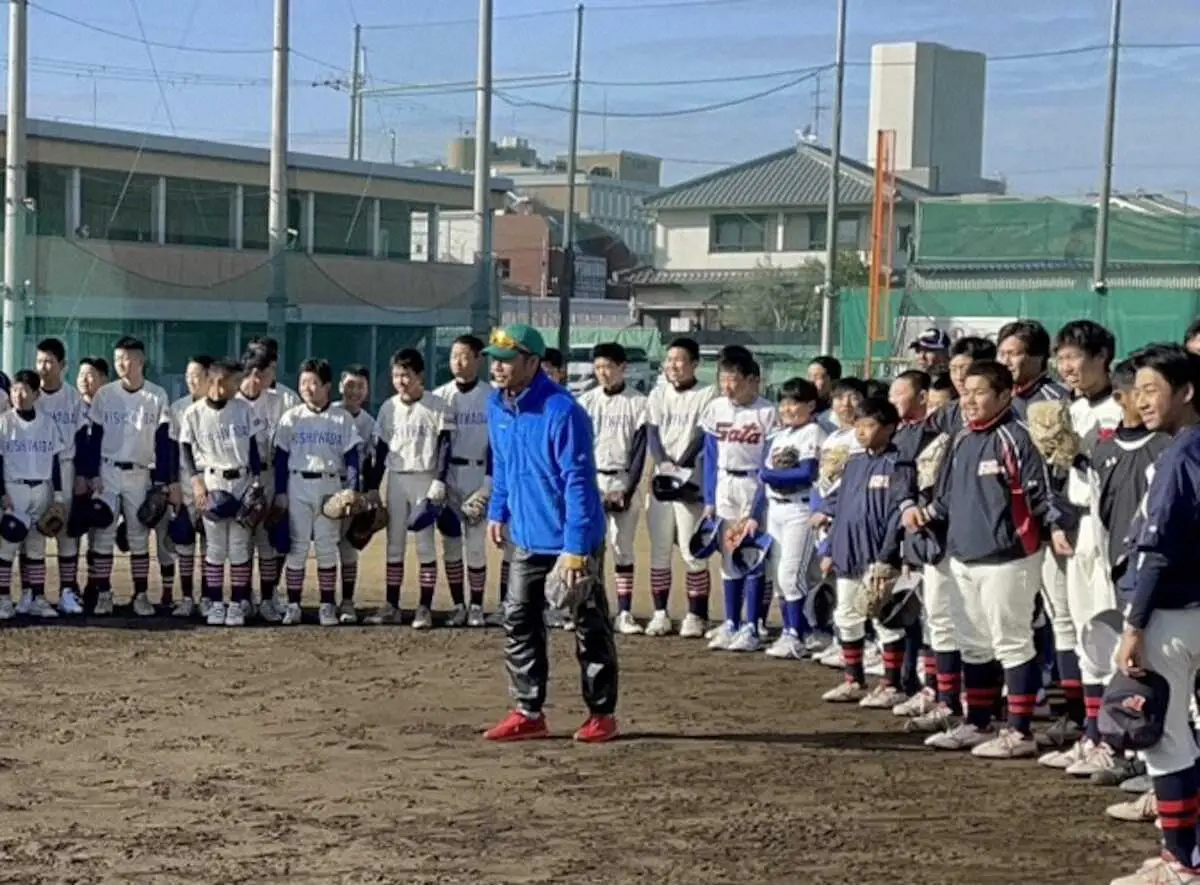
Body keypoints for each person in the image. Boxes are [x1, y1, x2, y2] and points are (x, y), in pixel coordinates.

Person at [919, 360, 1070, 759]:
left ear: (1005, 395)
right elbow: (946, 498)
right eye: (965, 393)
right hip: (963, 555)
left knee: (1012, 641)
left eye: (980, 392)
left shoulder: (1016, 437)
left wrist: (1052, 529)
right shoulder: (962, 438)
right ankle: (978, 722)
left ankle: (1019, 731)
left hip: (1009, 557)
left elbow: (1040, 495)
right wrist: (922, 515)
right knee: (973, 643)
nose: (969, 401)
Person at [480, 323, 617, 744]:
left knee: (588, 624)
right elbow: (502, 465)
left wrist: (575, 550)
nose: (498, 367)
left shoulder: (563, 411)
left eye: (507, 360)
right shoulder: (497, 406)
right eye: (495, 360)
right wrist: (498, 511)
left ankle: (602, 714)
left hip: (571, 539)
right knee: (518, 618)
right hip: (524, 534)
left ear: (533, 362)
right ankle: (528, 710)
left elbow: (577, 481)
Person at [1111, 344, 1200, 885]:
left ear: (1187, 392)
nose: (1141, 401)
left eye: (1152, 389)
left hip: (1171, 612)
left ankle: (1180, 862)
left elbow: (1158, 545)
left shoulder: (1179, 454)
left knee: (1164, 739)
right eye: (1137, 390)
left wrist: (1133, 623)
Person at [1036, 320, 1124, 773]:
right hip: (1075, 527)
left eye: (1076, 357)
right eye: (1062, 357)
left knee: (1109, 632)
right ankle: (1093, 735)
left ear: (1102, 357)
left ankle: (1117, 740)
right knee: (1082, 633)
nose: (1068, 366)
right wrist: (1056, 520)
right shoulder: (1068, 407)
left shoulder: (1121, 405)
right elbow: (1056, 475)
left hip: (1109, 530)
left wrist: (1082, 457)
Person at [813, 397, 911, 705]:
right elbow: (841, 507)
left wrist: (889, 556)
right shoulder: (854, 463)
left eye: (870, 425)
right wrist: (830, 548)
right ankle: (853, 679)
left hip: (879, 555)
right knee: (847, 615)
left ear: (890, 428)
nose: (862, 432)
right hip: (848, 552)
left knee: (884, 619)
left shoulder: (899, 463)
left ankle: (891, 684)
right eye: (858, 425)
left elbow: (898, 513)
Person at [83, 336, 174, 617]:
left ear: (141, 361)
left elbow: (163, 441)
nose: (122, 364)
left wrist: (161, 480)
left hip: (139, 472)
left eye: (128, 358)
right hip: (108, 472)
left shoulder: (156, 395)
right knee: (102, 536)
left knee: (137, 536)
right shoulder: (105, 394)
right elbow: (94, 438)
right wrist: (92, 474)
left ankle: (140, 595)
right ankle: (103, 594)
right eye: (118, 358)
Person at [367, 348, 454, 627]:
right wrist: (371, 487)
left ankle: (424, 607)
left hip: (425, 478)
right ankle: (391, 605)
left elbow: (445, 445)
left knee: (426, 545)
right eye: (396, 375)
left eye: (406, 375)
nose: (401, 381)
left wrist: (440, 480)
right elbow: (380, 451)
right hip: (396, 479)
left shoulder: (436, 405)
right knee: (394, 545)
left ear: (420, 376)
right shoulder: (388, 408)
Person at [274, 359, 362, 627]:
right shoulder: (292, 417)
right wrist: (280, 492)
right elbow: (280, 457)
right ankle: (293, 605)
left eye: (313, 383)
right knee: (297, 547)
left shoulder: (341, 418)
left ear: (327, 386)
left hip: (330, 486)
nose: (307, 388)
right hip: (297, 482)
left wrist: (352, 492)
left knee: (326, 547)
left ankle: (327, 605)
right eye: (303, 383)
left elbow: (352, 458)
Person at [700, 347, 776, 652]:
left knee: (753, 554)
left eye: (735, 380)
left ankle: (751, 626)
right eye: (724, 379)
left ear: (753, 381)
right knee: (728, 554)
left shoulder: (767, 412)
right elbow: (710, 455)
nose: (728, 387)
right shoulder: (716, 408)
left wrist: (758, 504)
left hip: (753, 484)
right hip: (724, 484)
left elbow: (770, 462)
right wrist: (709, 498)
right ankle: (731, 622)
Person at [179, 358, 264, 628]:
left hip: (241, 480)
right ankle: (215, 603)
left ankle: (237, 604)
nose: (238, 386)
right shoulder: (193, 413)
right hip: (212, 480)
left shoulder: (243, 409)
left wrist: (257, 483)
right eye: (234, 382)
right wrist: (195, 481)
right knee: (215, 549)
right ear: (218, 382)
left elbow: (252, 449)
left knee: (239, 548)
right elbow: (185, 448)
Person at [645, 337, 716, 638]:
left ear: (695, 364)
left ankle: (695, 615)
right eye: (669, 359)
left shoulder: (707, 393)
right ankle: (660, 613)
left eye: (680, 360)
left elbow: (702, 434)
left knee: (692, 551)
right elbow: (652, 431)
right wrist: (663, 464)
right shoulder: (658, 393)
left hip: (690, 481)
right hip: (662, 480)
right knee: (660, 550)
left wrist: (680, 466)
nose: (673, 365)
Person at [577, 343, 648, 635]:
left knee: (622, 548)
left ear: (623, 368)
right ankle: (590, 608)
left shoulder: (638, 402)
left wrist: (628, 491)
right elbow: (578, 448)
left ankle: (625, 611)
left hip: (622, 479)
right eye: (598, 367)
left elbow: (640, 450)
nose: (603, 373)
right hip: (592, 479)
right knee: (589, 548)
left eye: (609, 366)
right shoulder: (585, 402)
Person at [760, 377, 825, 660]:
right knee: (779, 576)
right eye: (784, 402)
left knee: (791, 575)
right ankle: (802, 631)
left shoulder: (813, 432)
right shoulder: (779, 436)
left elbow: (806, 473)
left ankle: (795, 635)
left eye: (794, 402)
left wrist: (770, 475)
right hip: (775, 509)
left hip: (800, 509)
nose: (787, 408)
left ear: (810, 405)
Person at [432, 337, 492, 628]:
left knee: (477, 545)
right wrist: (439, 482)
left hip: (478, 474)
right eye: (454, 355)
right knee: (451, 545)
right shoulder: (440, 396)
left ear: (478, 358)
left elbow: (497, 445)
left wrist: (488, 485)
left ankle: (477, 606)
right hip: (450, 477)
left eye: (465, 355)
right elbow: (439, 443)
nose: (458, 361)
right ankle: (458, 605)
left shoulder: (492, 397)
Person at [0, 370, 66, 620]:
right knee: (7, 546)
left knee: (36, 547)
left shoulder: (48, 423)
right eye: (16, 389)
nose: (19, 394)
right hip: (13, 488)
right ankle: (4, 599)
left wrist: (58, 495)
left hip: (41, 488)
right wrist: (1, 494)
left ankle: (36, 597)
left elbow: (56, 460)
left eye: (25, 389)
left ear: (36, 394)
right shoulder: (4, 422)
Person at [32, 337, 89, 616]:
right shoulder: (30, 395)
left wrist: (82, 476)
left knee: (67, 532)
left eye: (49, 362)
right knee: (34, 533)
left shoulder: (72, 398)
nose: (44, 367)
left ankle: (68, 591)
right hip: (35, 468)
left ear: (63, 365)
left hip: (66, 467)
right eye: (40, 360)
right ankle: (35, 594)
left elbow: (83, 438)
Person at [238, 348, 290, 622]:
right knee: (243, 542)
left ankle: (268, 598)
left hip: (270, 475)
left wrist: (280, 489)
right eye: (255, 372)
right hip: (243, 477)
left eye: (264, 372)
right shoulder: (234, 403)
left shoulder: (277, 402)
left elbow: (283, 448)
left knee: (268, 543)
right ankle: (244, 598)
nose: (259, 378)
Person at [164, 355, 213, 617]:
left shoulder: (221, 407)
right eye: (188, 377)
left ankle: (206, 597)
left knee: (209, 544)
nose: (191, 381)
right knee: (183, 541)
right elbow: (172, 449)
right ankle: (185, 598)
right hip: (184, 481)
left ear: (209, 377)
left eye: (196, 376)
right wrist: (172, 483)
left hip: (211, 480)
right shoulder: (179, 408)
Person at [332, 364, 377, 624]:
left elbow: (372, 461)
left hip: (354, 491)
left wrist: (369, 493)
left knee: (349, 548)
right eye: (349, 385)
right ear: (339, 387)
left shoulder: (369, 423)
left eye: (360, 386)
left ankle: (347, 602)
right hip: (326, 486)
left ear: (367, 390)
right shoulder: (331, 414)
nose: (354, 391)